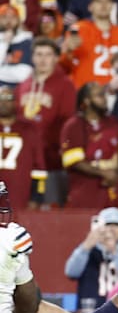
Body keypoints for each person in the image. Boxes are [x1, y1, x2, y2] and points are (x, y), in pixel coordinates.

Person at [16, 37, 75, 207]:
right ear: (32, 57)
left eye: (48, 55)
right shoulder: (23, 85)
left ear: (56, 58)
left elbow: (67, 122)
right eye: (39, 54)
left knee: (51, 206)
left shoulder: (65, 85)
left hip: (52, 159)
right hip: (25, 161)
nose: (43, 59)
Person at [60, 82, 118, 209]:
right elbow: (74, 161)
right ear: (87, 100)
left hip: (115, 186)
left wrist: (116, 173)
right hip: (86, 189)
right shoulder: (73, 126)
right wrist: (104, 173)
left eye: (104, 95)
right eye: (99, 95)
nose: (104, 99)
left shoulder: (115, 122)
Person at [65, 207, 118, 313]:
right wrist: (86, 245)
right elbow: (71, 272)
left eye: (117, 225)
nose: (112, 229)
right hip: (90, 312)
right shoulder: (87, 251)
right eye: (108, 224)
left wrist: (114, 252)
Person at [61, 0, 118, 89]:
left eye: (107, 1)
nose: (103, 5)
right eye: (99, 1)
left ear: (112, 6)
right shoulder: (78, 30)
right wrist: (68, 51)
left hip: (114, 94)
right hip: (85, 94)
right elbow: (63, 67)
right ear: (90, 6)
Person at [0, 86, 45, 210]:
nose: (3, 102)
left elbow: (39, 167)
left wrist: (36, 197)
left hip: (19, 196)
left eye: (8, 98)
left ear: (16, 101)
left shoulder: (29, 128)